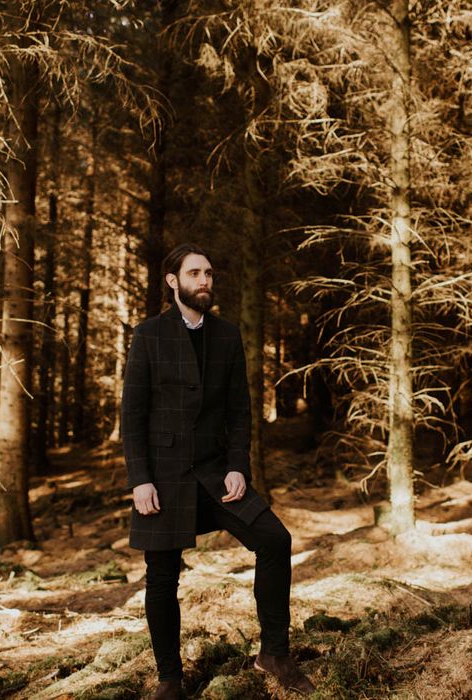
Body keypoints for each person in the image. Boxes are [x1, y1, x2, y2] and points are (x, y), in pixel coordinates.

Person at [122, 243, 316, 699]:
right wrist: (140, 479)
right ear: (173, 281)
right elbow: (132, 414)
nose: (205, 280)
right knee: (162, 576)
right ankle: (170, 680)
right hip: (164, 479)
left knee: (274, 540)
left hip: (214, 474)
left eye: (208, 272)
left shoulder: (227, 335)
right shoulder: (148, 335)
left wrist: (237, 467)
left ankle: (274, 653)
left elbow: (238, 410)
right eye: (194, 273)